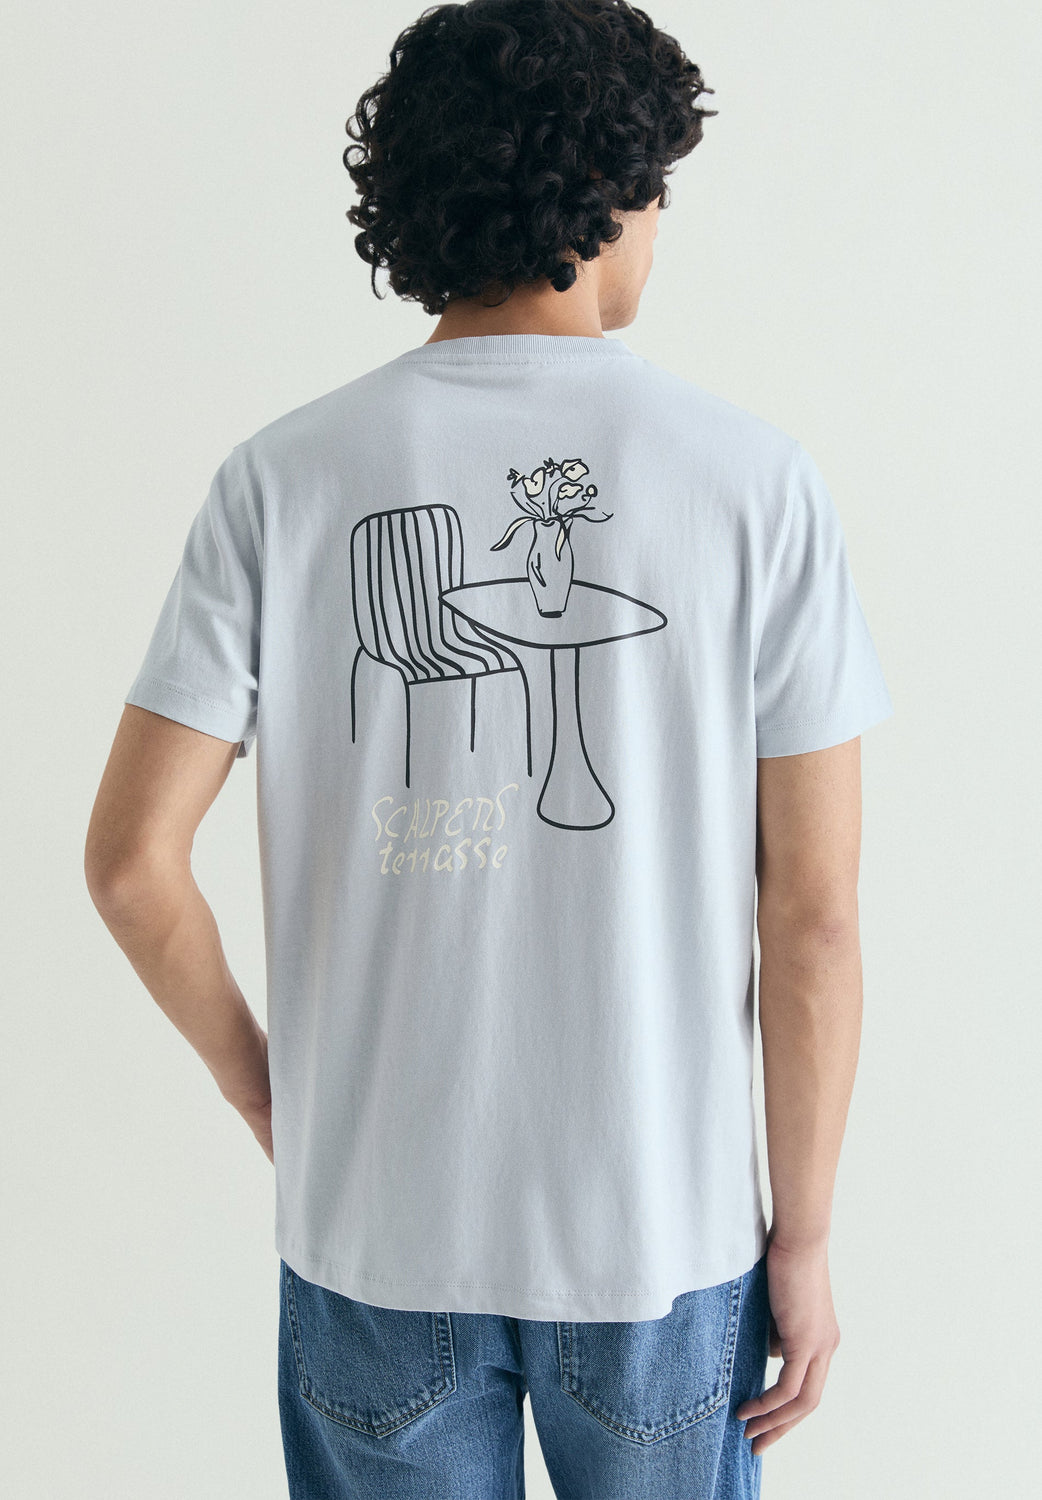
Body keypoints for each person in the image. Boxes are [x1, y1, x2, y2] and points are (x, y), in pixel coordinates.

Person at [84, 2, 894, 1496]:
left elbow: (133, 867)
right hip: (659, 1238)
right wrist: (809, 1237)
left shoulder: (280, 479)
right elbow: (816, 917)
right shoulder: (757, 485)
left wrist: (269, 1097)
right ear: (608, 195)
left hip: (372, 1229)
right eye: (658, 186)